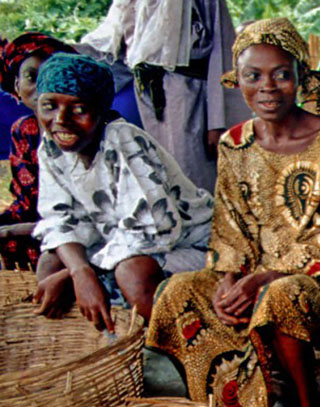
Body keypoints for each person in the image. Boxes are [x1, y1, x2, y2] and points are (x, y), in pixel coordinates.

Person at [146, 18, 320, 407]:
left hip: (318, 274)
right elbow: (229, 225)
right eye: (253, 76)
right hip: (251, 269)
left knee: (279, 298)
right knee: (178, 292)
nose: (268, 87)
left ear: (300, 77)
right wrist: (229, 281)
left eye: (281, 74)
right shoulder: (235, 144)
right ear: (237, 81)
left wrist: (265, 280)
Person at [31, 53, 213, 331]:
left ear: (101, 111)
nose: (61, 120)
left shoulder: (124, 140)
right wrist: (78, 271)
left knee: (132, 273)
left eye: (79, 109)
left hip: (193, 245)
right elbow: (58, 220)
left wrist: (80, 272)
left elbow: (154, 230)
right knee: (51, 263)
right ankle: (95, 350)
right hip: (122, 245)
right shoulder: (52, 147)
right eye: (49, 106)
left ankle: (180, 349)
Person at [80, 0, 251, 192]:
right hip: (148, 97)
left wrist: (217, 123)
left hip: (190, 98)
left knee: (193, 175)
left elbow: (222, 50)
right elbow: (112, 39)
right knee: (158, 175)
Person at [0, 33, 75, 270]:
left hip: (79, 226)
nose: (42, 86)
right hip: (36, 220)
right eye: (32, 78)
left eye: (51, 76)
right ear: (16, 88)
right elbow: (28, 202)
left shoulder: (83, 127)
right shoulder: (24, 130)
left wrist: (12, 229)